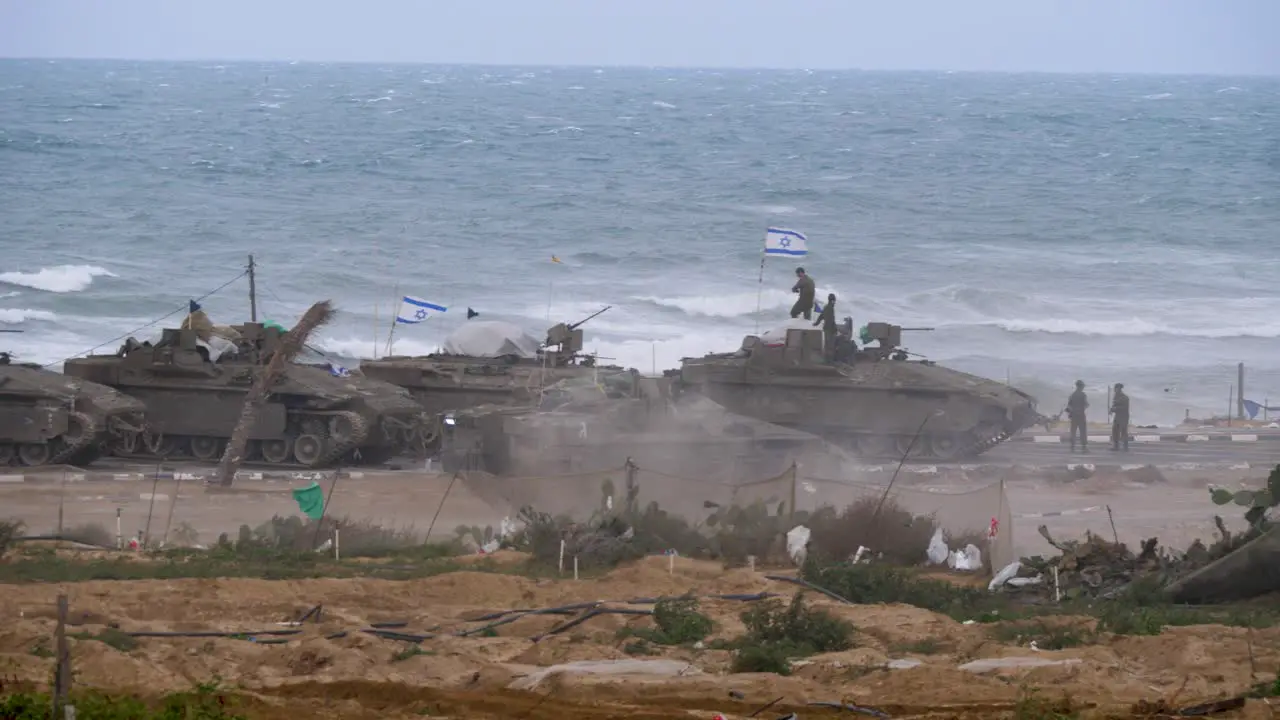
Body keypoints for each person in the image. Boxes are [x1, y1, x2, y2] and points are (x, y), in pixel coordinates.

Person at [1066, 380, 1089, 453]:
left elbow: (1069, 405)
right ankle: (1084, 448)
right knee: (1083, 431)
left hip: (1074, 415)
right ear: (1080, 386)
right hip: (1081, 415)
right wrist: (1081, 408)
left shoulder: (1072, 395)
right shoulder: (1083, 395)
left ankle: (1072, 447)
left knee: (1073, 431)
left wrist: (1072, 411)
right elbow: (1086, 404)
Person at [813, 293, 837, 360]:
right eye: (834, 301)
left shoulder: (826, 307)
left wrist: (816, 323)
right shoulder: (830, 308)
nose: (835, 303)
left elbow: (821, 316)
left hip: (826, 328)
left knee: (827, 345)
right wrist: (835, 329)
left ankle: (826, 359)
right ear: (832, 301)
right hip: (830, 329)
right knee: (830, 346)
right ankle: (829, 360)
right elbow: (831, 320)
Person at [1110, 382, 1129, 451]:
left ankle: (1125, 447)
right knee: (1115, 430)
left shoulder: (1124, 397)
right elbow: (1114, 405)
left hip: (1123, 416)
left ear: (1119, 389)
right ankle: (1116, 446)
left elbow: (1124, 408)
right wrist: (1112, 409)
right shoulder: (1116, 396)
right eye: (1115, 389)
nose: (1115, 390)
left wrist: (1115, 409)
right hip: (1118, 416)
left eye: (1116, 388)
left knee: (1123, 431)